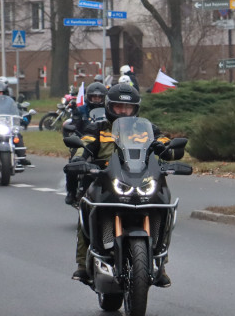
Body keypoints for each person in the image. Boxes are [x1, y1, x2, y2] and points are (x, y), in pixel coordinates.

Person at [70, 82, 177, 287]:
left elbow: (164, 143)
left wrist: (168, 150)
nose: (123, 111)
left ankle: (161, 264)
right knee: (85, 206)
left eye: (127, 107)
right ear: (110, 107)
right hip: (104, 180)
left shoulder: (147, 129)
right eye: (118, 107)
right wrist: (79, 158)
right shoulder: (99, 128)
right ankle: (83, 265)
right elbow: (85, 145)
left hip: (141, 179)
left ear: (135, 109)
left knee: (164, 205)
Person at [62, 82, 108, 205]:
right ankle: (71, 191)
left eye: (99, 97)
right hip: (83, 141)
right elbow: (75, 125)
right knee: (73, 163)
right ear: (89, 97)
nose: (97, 99)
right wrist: (76, 137)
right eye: (94, 97)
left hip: (102, 142)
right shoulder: (81, 110)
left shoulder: (108, 111)